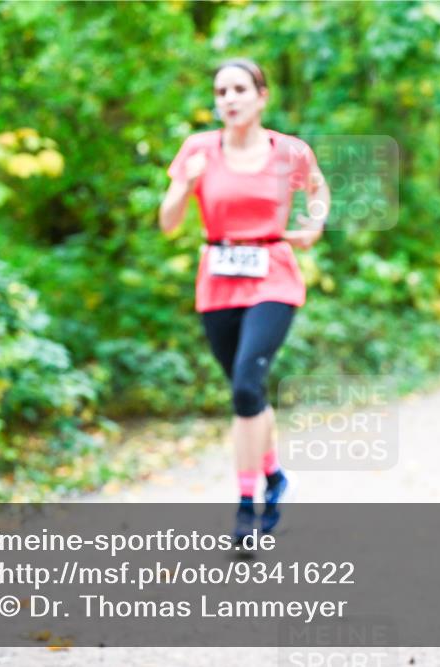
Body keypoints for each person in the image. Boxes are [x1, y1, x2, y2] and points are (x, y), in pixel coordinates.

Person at [158, 58, 330, 544]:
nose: (229, 99)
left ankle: (245, 504)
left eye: (239, 89)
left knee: (246, 387)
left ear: (261, 96)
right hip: (218, 279)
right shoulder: (198, 150)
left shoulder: (288, 152)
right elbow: (168, 223)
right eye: (221, 91)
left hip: (272, 275)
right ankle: (274, 476)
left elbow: (318, 188)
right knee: (247, 392)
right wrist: (185, 185)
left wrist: (315, 224)